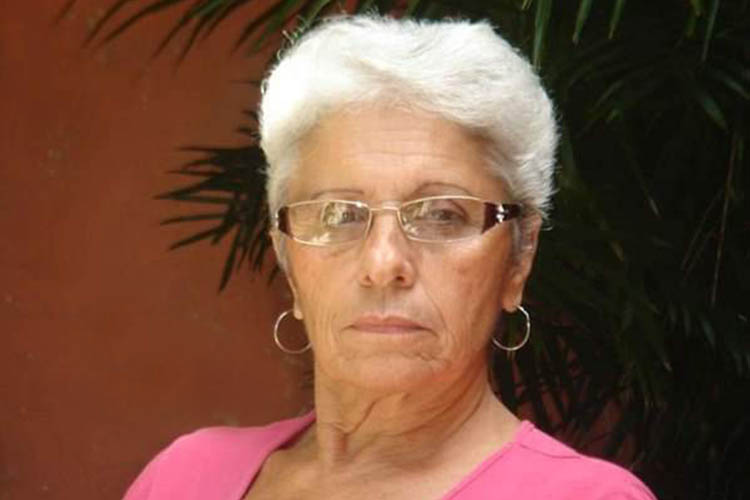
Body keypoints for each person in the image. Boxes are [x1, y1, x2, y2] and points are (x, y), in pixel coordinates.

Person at [124, 15, 656, 500]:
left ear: (520, 257)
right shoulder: (183, 479)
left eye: (442, 215)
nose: (383, 264)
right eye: (338, 214)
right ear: (286, 256)